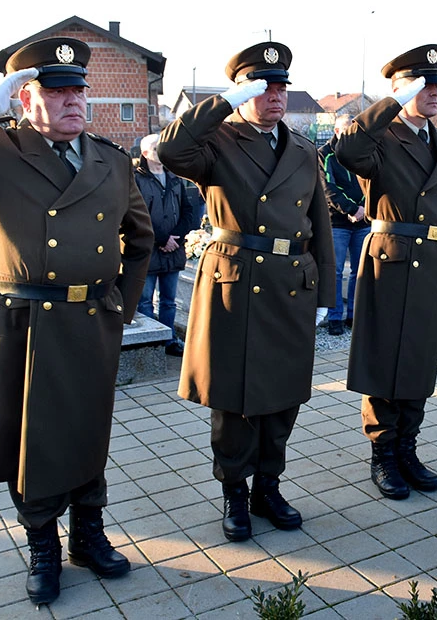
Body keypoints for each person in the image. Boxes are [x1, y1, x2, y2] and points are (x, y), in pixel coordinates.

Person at [0, 37, 154, 605]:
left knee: (89, 428)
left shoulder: (110, 160)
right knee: (29, 439)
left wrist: (121, 306)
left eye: (78, 90)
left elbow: (140, 239)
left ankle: (88, 533)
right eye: (56, 91)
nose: (73, 100)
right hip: (26, 324)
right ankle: (42, 543)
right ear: (23, 99)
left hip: (91, 318)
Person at [158, 42, 335, 541]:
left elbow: (318, 221)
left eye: (280, 87)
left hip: (291, 283)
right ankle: (234, 491)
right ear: (241, 92)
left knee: (283, 395)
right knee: (234, 400)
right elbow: (171, 150)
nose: (274, 96)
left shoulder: (302, 149)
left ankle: (268, 487)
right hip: (236, 283)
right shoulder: (218, 141)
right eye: (262, 87)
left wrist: (324, 293)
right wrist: (224, 102)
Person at [335, 44, 437, 499]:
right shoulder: (381, 138)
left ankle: (408, 446)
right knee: (385, 359)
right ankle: (384, 452)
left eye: (436, 85)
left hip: (431, 265)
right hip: (390, 261)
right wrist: (390, 103)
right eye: (423, 85)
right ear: (401, 89)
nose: (434, 92)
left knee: (419, 359)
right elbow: (347, 150)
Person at [134, 133, 195, 356]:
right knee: (145, 301)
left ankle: (169, 341)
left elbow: (188, 210)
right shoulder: (136, 180)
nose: (161, 152)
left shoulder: (174, 178)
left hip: (173, 250)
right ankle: (151, 346)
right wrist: (162, 239)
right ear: (145, 153)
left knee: (169, 301)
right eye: (156, 148)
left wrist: (176, 237)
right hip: (149, 250)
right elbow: (136, 215)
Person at [319, 114, 368, 334]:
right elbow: (328, 187)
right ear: (337, 131)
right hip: (337, 221)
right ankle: (335, 317)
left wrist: (364, 208)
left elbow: (371, 181)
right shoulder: (325, 154)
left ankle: (354, 315)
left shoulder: (363, 152)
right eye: (348, 130)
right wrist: (351, 209)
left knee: (360, 271)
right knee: (336, 271)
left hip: (363, 220)